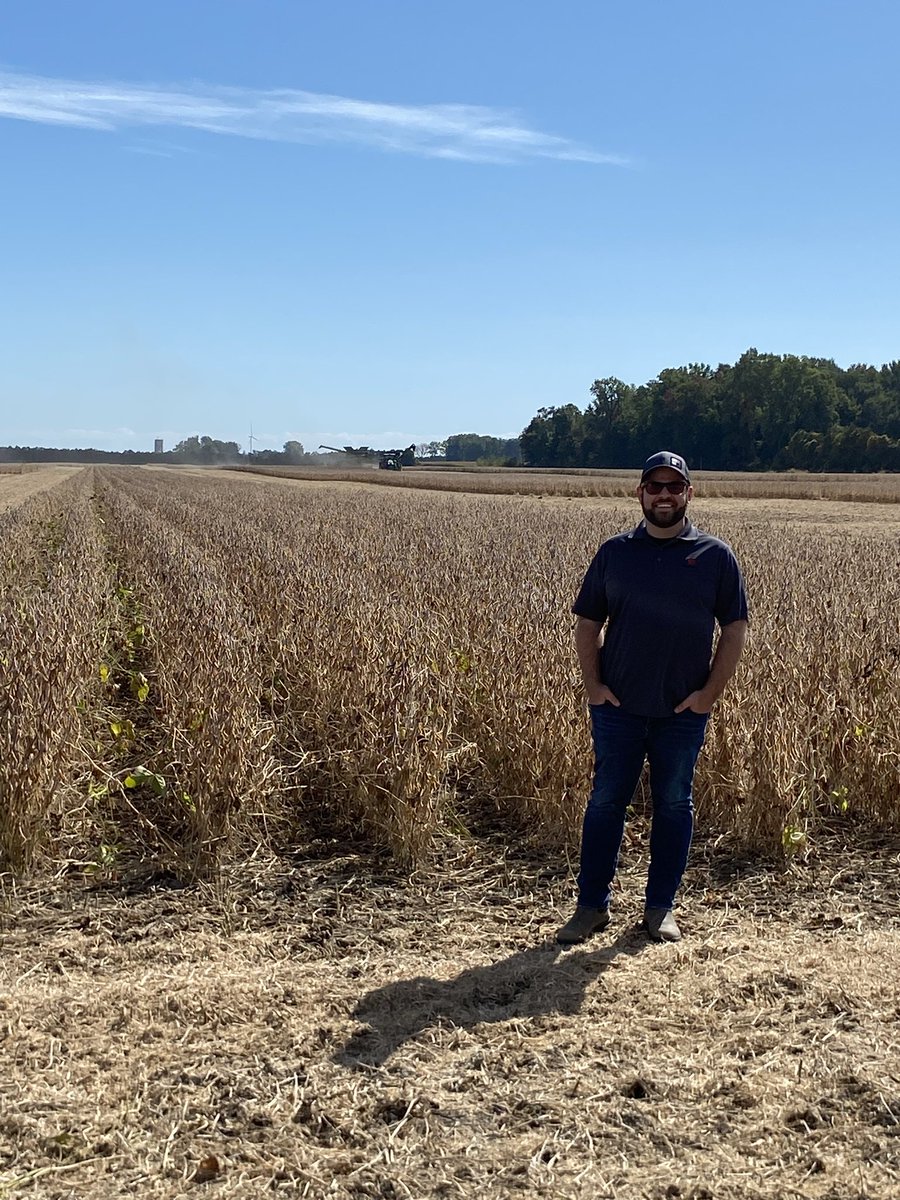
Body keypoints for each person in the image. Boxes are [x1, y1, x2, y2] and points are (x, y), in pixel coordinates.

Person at [557, 451, 748, 945]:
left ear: (689, 493)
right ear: (640, 493)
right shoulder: (614, 553)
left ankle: (660, 909)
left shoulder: (715, 557)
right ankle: (591, 908)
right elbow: (586, 624)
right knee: (604, 804)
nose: (665, 495)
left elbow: (734, 629)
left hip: (682, 713)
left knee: (673, 805)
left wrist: (708, 695)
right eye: (655, 486)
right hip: (617, 710)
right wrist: (593, 686)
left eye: (674, 486)